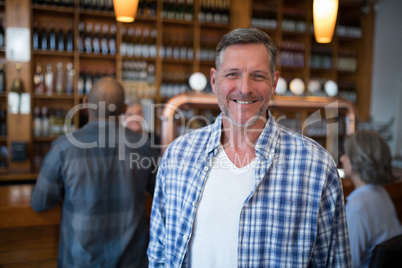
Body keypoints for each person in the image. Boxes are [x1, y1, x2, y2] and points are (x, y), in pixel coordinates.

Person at [148, 28, 352, 267]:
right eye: (233, 74)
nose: (244, 88)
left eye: (257, 76)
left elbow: (334, 262)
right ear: (214, 81)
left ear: (274, 82)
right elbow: (159, 254)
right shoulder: (177, 156)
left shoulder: (316, 166)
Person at [31, 77, 157, 268]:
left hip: (80, 261)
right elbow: (160, 193)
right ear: (124, 109)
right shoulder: (144, 146)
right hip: (133, 260)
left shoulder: (63, 148)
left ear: (84, 104)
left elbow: (39, 203)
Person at [340, 130, 402, 268]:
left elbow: (346, 264)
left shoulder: (358, 206)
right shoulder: (380, 193)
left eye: (347, 154)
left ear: (359, 160)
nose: (342, 158)